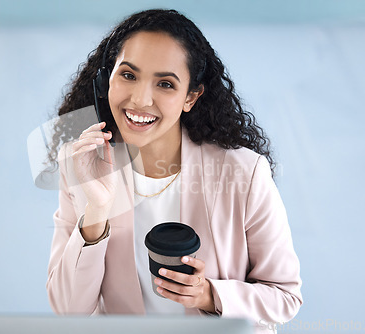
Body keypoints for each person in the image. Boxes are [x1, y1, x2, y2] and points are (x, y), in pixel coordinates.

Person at [46, 8, 302, 331]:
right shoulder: (84, 168)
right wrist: (96, 211)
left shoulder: (244, 174)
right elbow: (68, 310)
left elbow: (285, 296)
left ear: (191, 97)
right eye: (128, 75)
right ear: (104, 82)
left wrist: (209, 295)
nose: (140, 99)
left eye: (165, 84)